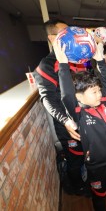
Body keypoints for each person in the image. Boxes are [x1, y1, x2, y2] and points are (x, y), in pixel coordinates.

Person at [54, 40, 106, 211]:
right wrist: (63, 65)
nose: (99, 94)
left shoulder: (104, 104)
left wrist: (100, 61)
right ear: (78, 97)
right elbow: (66, 94)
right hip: (97, 164)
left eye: (98, 90)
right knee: (99, 193)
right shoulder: (79, 112)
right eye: (94, 92)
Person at [33, 19, 89, 196]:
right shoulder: (46, 66)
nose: (70, 37)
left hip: (86, 118)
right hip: (68, 126)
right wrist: (66, 121)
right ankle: (78, 187)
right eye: (65, 34)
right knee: (75, 159)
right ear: (52, 38)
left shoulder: (77, 60)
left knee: (88, 154)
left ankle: (89, 181)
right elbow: (48, 99)